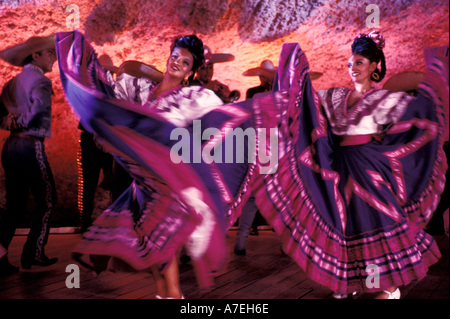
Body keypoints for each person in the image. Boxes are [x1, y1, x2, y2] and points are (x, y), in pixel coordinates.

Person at [250, 32, 448, 299]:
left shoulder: (384, 100)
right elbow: (306, 101)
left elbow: (419, 110)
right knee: (345, 225)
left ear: (374, 66)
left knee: (374, 220)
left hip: (368, 169)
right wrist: (293, 69)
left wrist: (434, 81)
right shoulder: (335, 97)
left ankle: (390, 288)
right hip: (339, 168)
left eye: (360, 63)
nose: (353, 68)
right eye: (350, 64)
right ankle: (350, 282)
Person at [56, 31, 240, 299]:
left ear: (191, 71)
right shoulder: (140, 89)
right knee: (150, 248)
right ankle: (166, 296)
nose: (176, 62)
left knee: (162, 248)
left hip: (169, 185)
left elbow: (216, 127)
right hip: (139, 184)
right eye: (175, 56)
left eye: (185, 62)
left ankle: (174, 296)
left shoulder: (192, 98)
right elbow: (112, 88)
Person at [0, 35, 58, 275]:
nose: (53, 58)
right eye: (50, 53)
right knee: (47, 200)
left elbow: (0, 116)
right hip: (30, 146)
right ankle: (34, 251)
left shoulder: (11, 83)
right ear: (36, 56)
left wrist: (10, 123)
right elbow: (34, 114)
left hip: (11, 147)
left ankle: (0, 257)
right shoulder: (42, 82)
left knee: (13, 206)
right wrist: (20, 122)